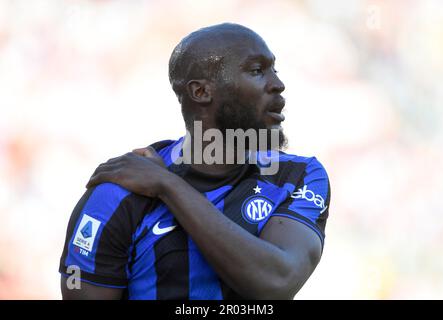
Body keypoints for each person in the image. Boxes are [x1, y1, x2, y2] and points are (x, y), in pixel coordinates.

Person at [59, 23, 330, 300]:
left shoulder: (299, 176)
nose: (278, 84)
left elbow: (276, 282)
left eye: (275, 69)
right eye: (257, 71)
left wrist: (168, 186)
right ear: (201, 92)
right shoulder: (118, 193)